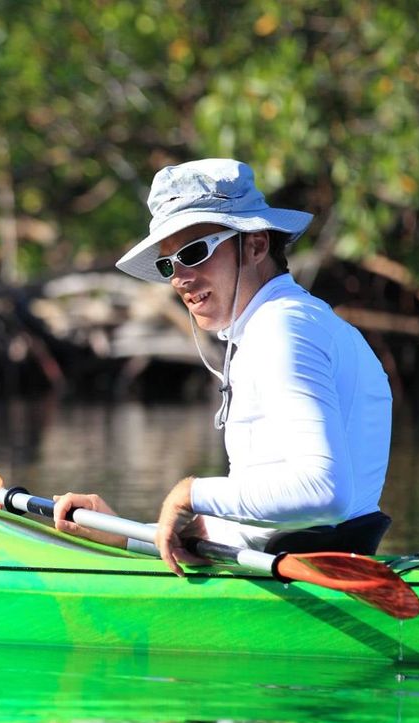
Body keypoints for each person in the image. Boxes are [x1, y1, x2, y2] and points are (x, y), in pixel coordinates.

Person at [53, 158, 393, 574]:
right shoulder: (287, 324)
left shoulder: (282, 329)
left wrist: (189, 493)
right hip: (297, 564)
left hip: (311, 575)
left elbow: (325, 491)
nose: (179, 278)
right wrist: (122, 533)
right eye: (168, 264)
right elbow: (267, 521)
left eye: (194, 252)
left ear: (255, 245)